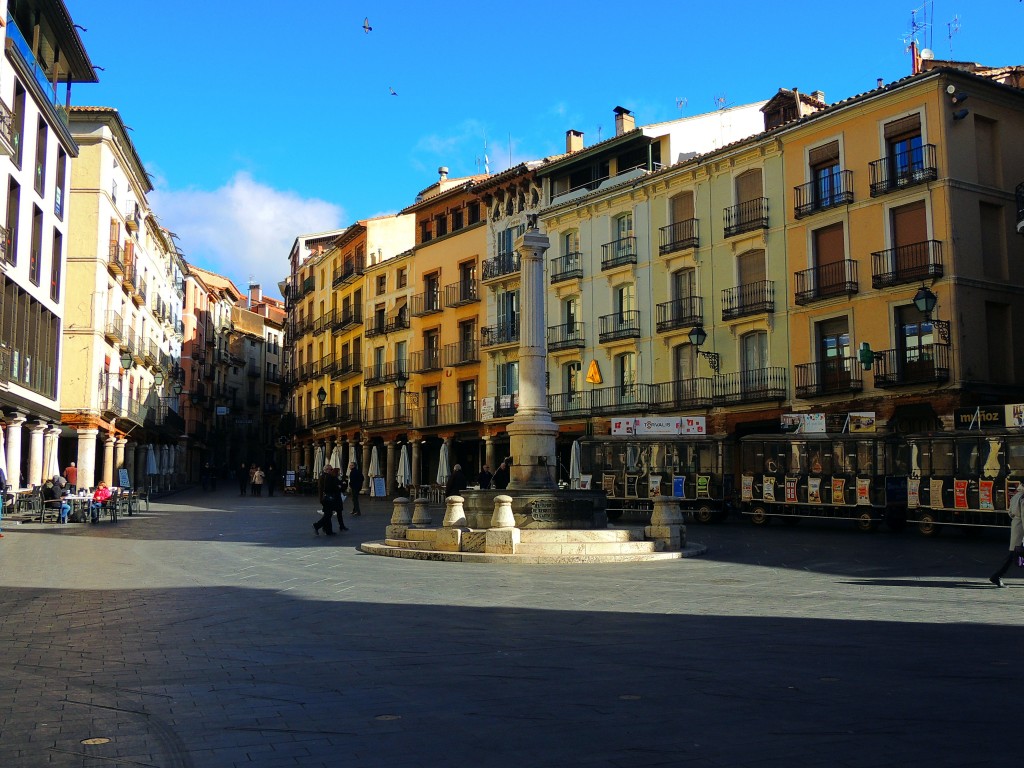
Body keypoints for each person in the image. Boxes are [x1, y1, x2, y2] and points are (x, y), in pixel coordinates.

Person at [990, 482, 1024, 587]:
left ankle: (997, 576)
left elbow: (1010, 512)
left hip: (1016, 526)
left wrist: (1016, 519)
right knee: (1013, 555)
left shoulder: (1016, 496)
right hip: (1021, 529)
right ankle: (997, 576)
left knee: (1014, 554)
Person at [313, 466, 346, 536]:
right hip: (327, 499)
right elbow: (325, 488)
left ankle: (327, 530)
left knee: (328, 514)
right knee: (328, 514)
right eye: (331, 469)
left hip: (328, 498)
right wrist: (338, 487)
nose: (332, 470)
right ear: (327, 470)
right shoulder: (325, 477)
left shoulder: (329, 477)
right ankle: (317, 526)